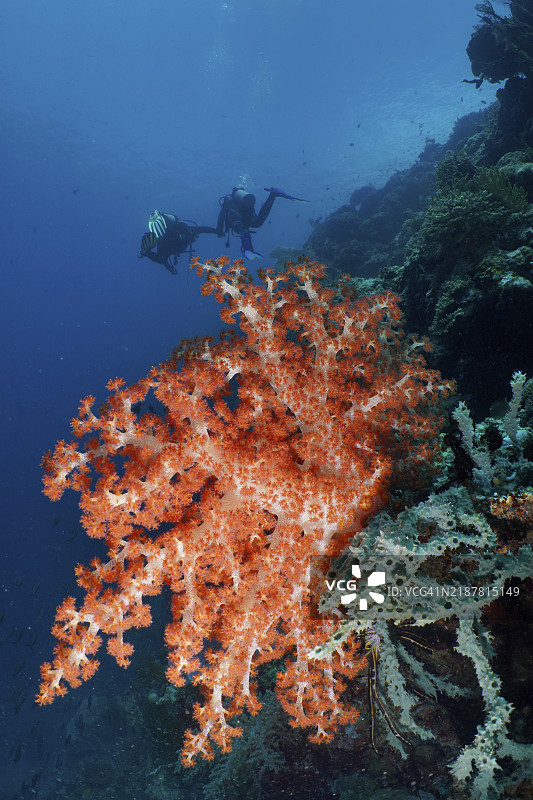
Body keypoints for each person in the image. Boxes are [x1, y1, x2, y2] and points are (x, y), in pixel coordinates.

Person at [216, 186, 307, 259]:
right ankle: (272, 195)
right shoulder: (242, 201)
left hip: (238, 218)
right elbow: (251, 210)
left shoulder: (227, 203)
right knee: (257, 223)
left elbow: (221, 217)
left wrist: (219, 230)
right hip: (248, 214)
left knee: (240, 228)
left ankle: (248, 249)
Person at [139, 211, 217, 275]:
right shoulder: (176, 232)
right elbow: (201, 230)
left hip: (174, 246)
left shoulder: (163, 242)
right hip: (179, 244)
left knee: (162, 256)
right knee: (195, 231)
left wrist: (147, 253)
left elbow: (162, 259)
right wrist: (217, 231)